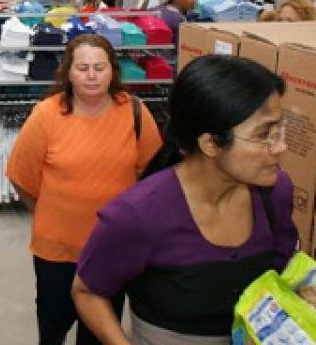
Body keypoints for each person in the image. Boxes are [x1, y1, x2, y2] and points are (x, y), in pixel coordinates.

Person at [72, 55, 297, 344]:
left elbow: (281, 274)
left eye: (279, 130)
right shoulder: (136, 215)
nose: (280, 147)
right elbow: (88, 291)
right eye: (264, 134)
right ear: (210, 143)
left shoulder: (274, 194)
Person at [6, 34, 162, 345]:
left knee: (99, 332)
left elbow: (153, 177)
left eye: (99, 68)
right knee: (53, 327)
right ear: (68, 72)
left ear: (112, 71)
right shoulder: (47, 114)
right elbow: (21, 176)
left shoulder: (134, 112)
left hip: (112, 249)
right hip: (57, 251)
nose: (92, 76)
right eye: (83, 68)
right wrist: (48, 211)